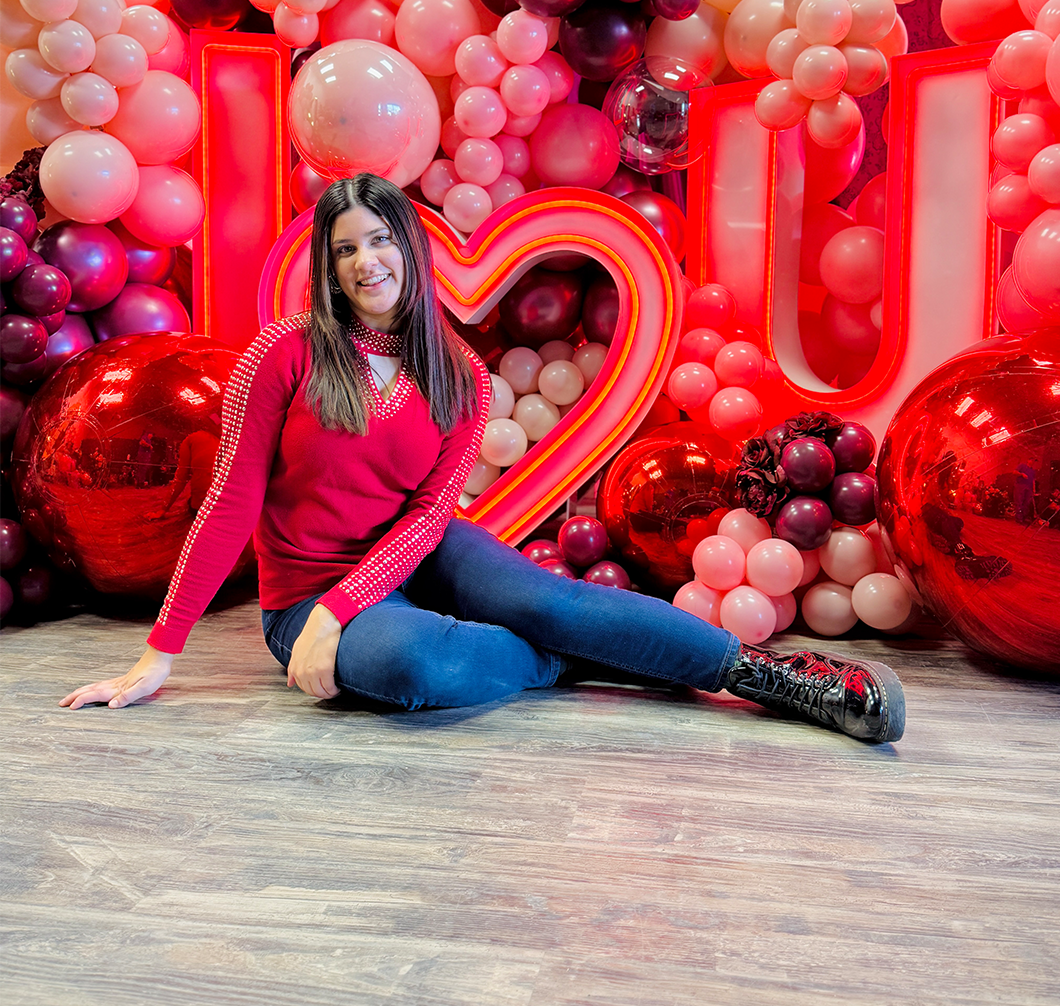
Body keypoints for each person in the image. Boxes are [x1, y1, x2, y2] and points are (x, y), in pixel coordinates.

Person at [61, 174, 905, 744]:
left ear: (408, 246)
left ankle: (775, 679)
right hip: (304, 599)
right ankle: (562, 659)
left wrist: (349, 602)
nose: (366, 262)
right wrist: (161, 653)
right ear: (327, 264)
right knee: (414, 665)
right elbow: (230, 507)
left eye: (379, 240)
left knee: (556, 602)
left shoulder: (459, 375)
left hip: (418, 556)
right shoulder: (283, 354)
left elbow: (429, 517)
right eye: (345, 248)